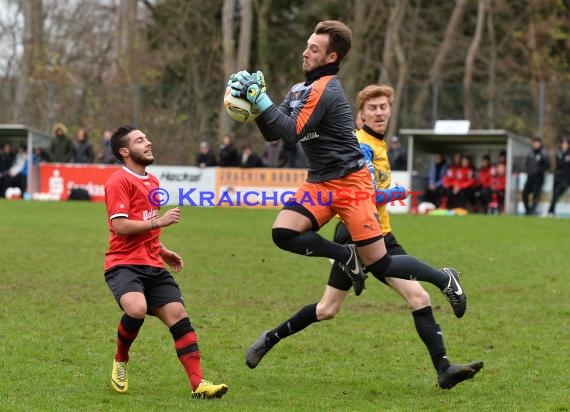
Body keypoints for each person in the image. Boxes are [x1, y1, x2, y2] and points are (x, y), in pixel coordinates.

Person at [228, 19, 467, 377]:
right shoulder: (299, 90)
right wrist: (257, 105)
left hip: (351, 187)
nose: (305, 51)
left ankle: (443, 279)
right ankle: (347, 256)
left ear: (331, 56)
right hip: (321, 184)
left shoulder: (327, 89)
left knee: (382, 264)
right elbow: (275, 133)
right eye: (307, 44)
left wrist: (260, 101)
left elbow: (292, 131)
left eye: (313, 47)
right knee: (283, 232)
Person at [103, 124, 228, 399]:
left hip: (153, 264)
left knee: (180, 318)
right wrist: (160, 221)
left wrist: (162, 250)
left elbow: (147, 231)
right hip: (123, 264)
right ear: (125, 151)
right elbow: (122, 226)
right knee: (136, 309)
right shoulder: (118, 182)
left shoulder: (153, 182)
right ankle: (121, 359)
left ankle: (198, 384)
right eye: (140, 140)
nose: (148, 142)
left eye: (147, 138)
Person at [522, 136, 550, 215]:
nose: (535, 144)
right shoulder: (531, 153)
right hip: (530, 178)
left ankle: (532, 211)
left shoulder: (543, 153)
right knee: (524, 193)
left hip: (538, 178)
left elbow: (547, 165)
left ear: (540, 143)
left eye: (537, 143)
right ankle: (527, 210)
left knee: (535, 195)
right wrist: (528, 170)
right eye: (534, 142)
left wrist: (538, 171)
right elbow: (527, 163)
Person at [546, 137, 570, 217]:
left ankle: (550, 211)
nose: (564, 145)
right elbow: (559, 164)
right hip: (557, 177)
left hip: (566, 179)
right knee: (554, 195)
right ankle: (551, 212)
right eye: (563, 144)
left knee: (556, 194)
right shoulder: (559, 153)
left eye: (566, 144)